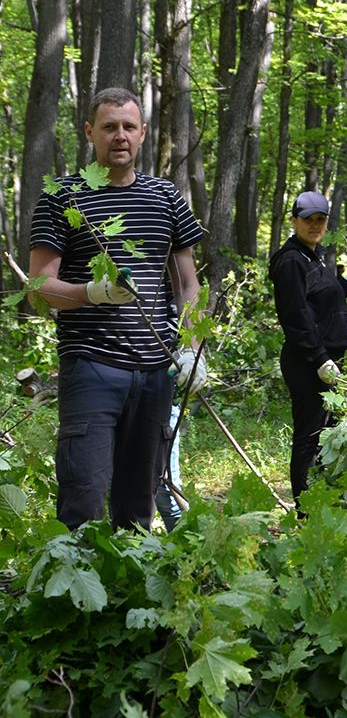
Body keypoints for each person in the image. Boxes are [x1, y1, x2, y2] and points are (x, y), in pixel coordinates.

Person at [28, 87, 206, 531]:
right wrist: (92, 292)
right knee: (83, 495)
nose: (120, 136)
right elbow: (38, 286)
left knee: (137, 504)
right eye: (109, 127)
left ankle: (128, 596)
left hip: (155, 371)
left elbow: (188, 283)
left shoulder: (165, 197)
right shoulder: (62, 197)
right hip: (90, 366)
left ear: (143, 133)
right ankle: (70, 593)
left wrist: (192, 347)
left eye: (129, 127)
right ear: (91, 132)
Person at [269, 191, 347, 506]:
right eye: (307, 219)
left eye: (320, 219)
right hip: (307, 363)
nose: (314, 225)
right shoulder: (290, 261)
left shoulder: (312, 255)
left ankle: (327, 503)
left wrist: (344, 285)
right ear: (294, 220)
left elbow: (317, 300)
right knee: (309, 440)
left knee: (331, 437)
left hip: (326, 364)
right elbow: (296, 316)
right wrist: (320, 359)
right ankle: (306, 513)